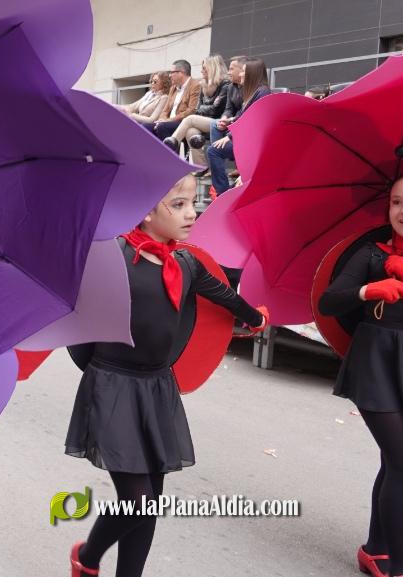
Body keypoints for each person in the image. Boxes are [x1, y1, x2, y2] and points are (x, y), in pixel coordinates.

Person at [66, 175, 267, 577]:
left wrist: (255, 318)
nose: (191, 213)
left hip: (157, 389)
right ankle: (88, 555)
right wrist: (99, 374)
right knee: (138, 500)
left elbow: (224, 295)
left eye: (192, 203)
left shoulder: (186, 263)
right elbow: (78, 325)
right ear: (145, 210)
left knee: (150, 501)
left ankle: (109, 567)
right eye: (178, 205)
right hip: (113, 386)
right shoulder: (113, 257)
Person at [318, 175, 403, 577]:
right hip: (375, 365)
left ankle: (376, 549)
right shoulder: (371, 254)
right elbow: (329, 301)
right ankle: (402, 567)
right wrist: (368, 290)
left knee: (395, 461)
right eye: (397, 202)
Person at [206, 57, 272, 195]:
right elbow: (243, 115)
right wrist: (230, 120)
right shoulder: (253, 92)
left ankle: (222, 193)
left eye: (243, 71)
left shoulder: (263, 92)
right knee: (214, 146)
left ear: (252, 74)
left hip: (252, 144)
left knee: (213, 151)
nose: (240, 74)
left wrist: (230, 136)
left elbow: (252, 120)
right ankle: (223, 191)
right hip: (245, 139)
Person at [163, 54, 232, 165]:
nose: (201, 71)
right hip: (205, 121)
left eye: (204, 68)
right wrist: (206, 108)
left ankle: (173, 141)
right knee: (191, 132)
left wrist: (204, 108)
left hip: (220, 122)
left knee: (190, 119)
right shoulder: (203, 85)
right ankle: (201, 167)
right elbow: (198, 108)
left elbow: (216, 109)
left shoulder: (225, 85)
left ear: (213, 68)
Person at [146, 60, 201, 140]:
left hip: (183, 122)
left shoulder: (195, 85)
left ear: (181, 73)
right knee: (146, 127)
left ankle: (169, 148)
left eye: (172, 72)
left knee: (162, 127)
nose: (169, 75)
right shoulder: (173, 88)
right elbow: (166, 110)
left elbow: (191, 110)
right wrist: (162, 119)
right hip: (168, 122)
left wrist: (169, 120)